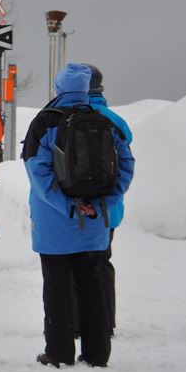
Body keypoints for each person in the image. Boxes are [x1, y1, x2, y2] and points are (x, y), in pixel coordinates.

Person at [22, 63, 135, 368]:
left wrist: (69, 207)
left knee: (57, 288)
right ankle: (97, 354)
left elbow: (38, 173)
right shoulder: (105, 122)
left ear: (58, 88)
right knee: (92, 287)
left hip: (55, 224)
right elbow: (126, 166)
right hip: (95, 221)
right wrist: (103, 204)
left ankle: (59, 353)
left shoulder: (45, 121)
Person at [72, 63, 134, 335]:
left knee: (75, 264)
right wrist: (107, 202)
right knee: (102, 261)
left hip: (76, 206)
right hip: (109, 208)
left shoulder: (68, 117)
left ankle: (75, 322)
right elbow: (125, 164)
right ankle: (105, 322)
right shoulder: (115, 120)